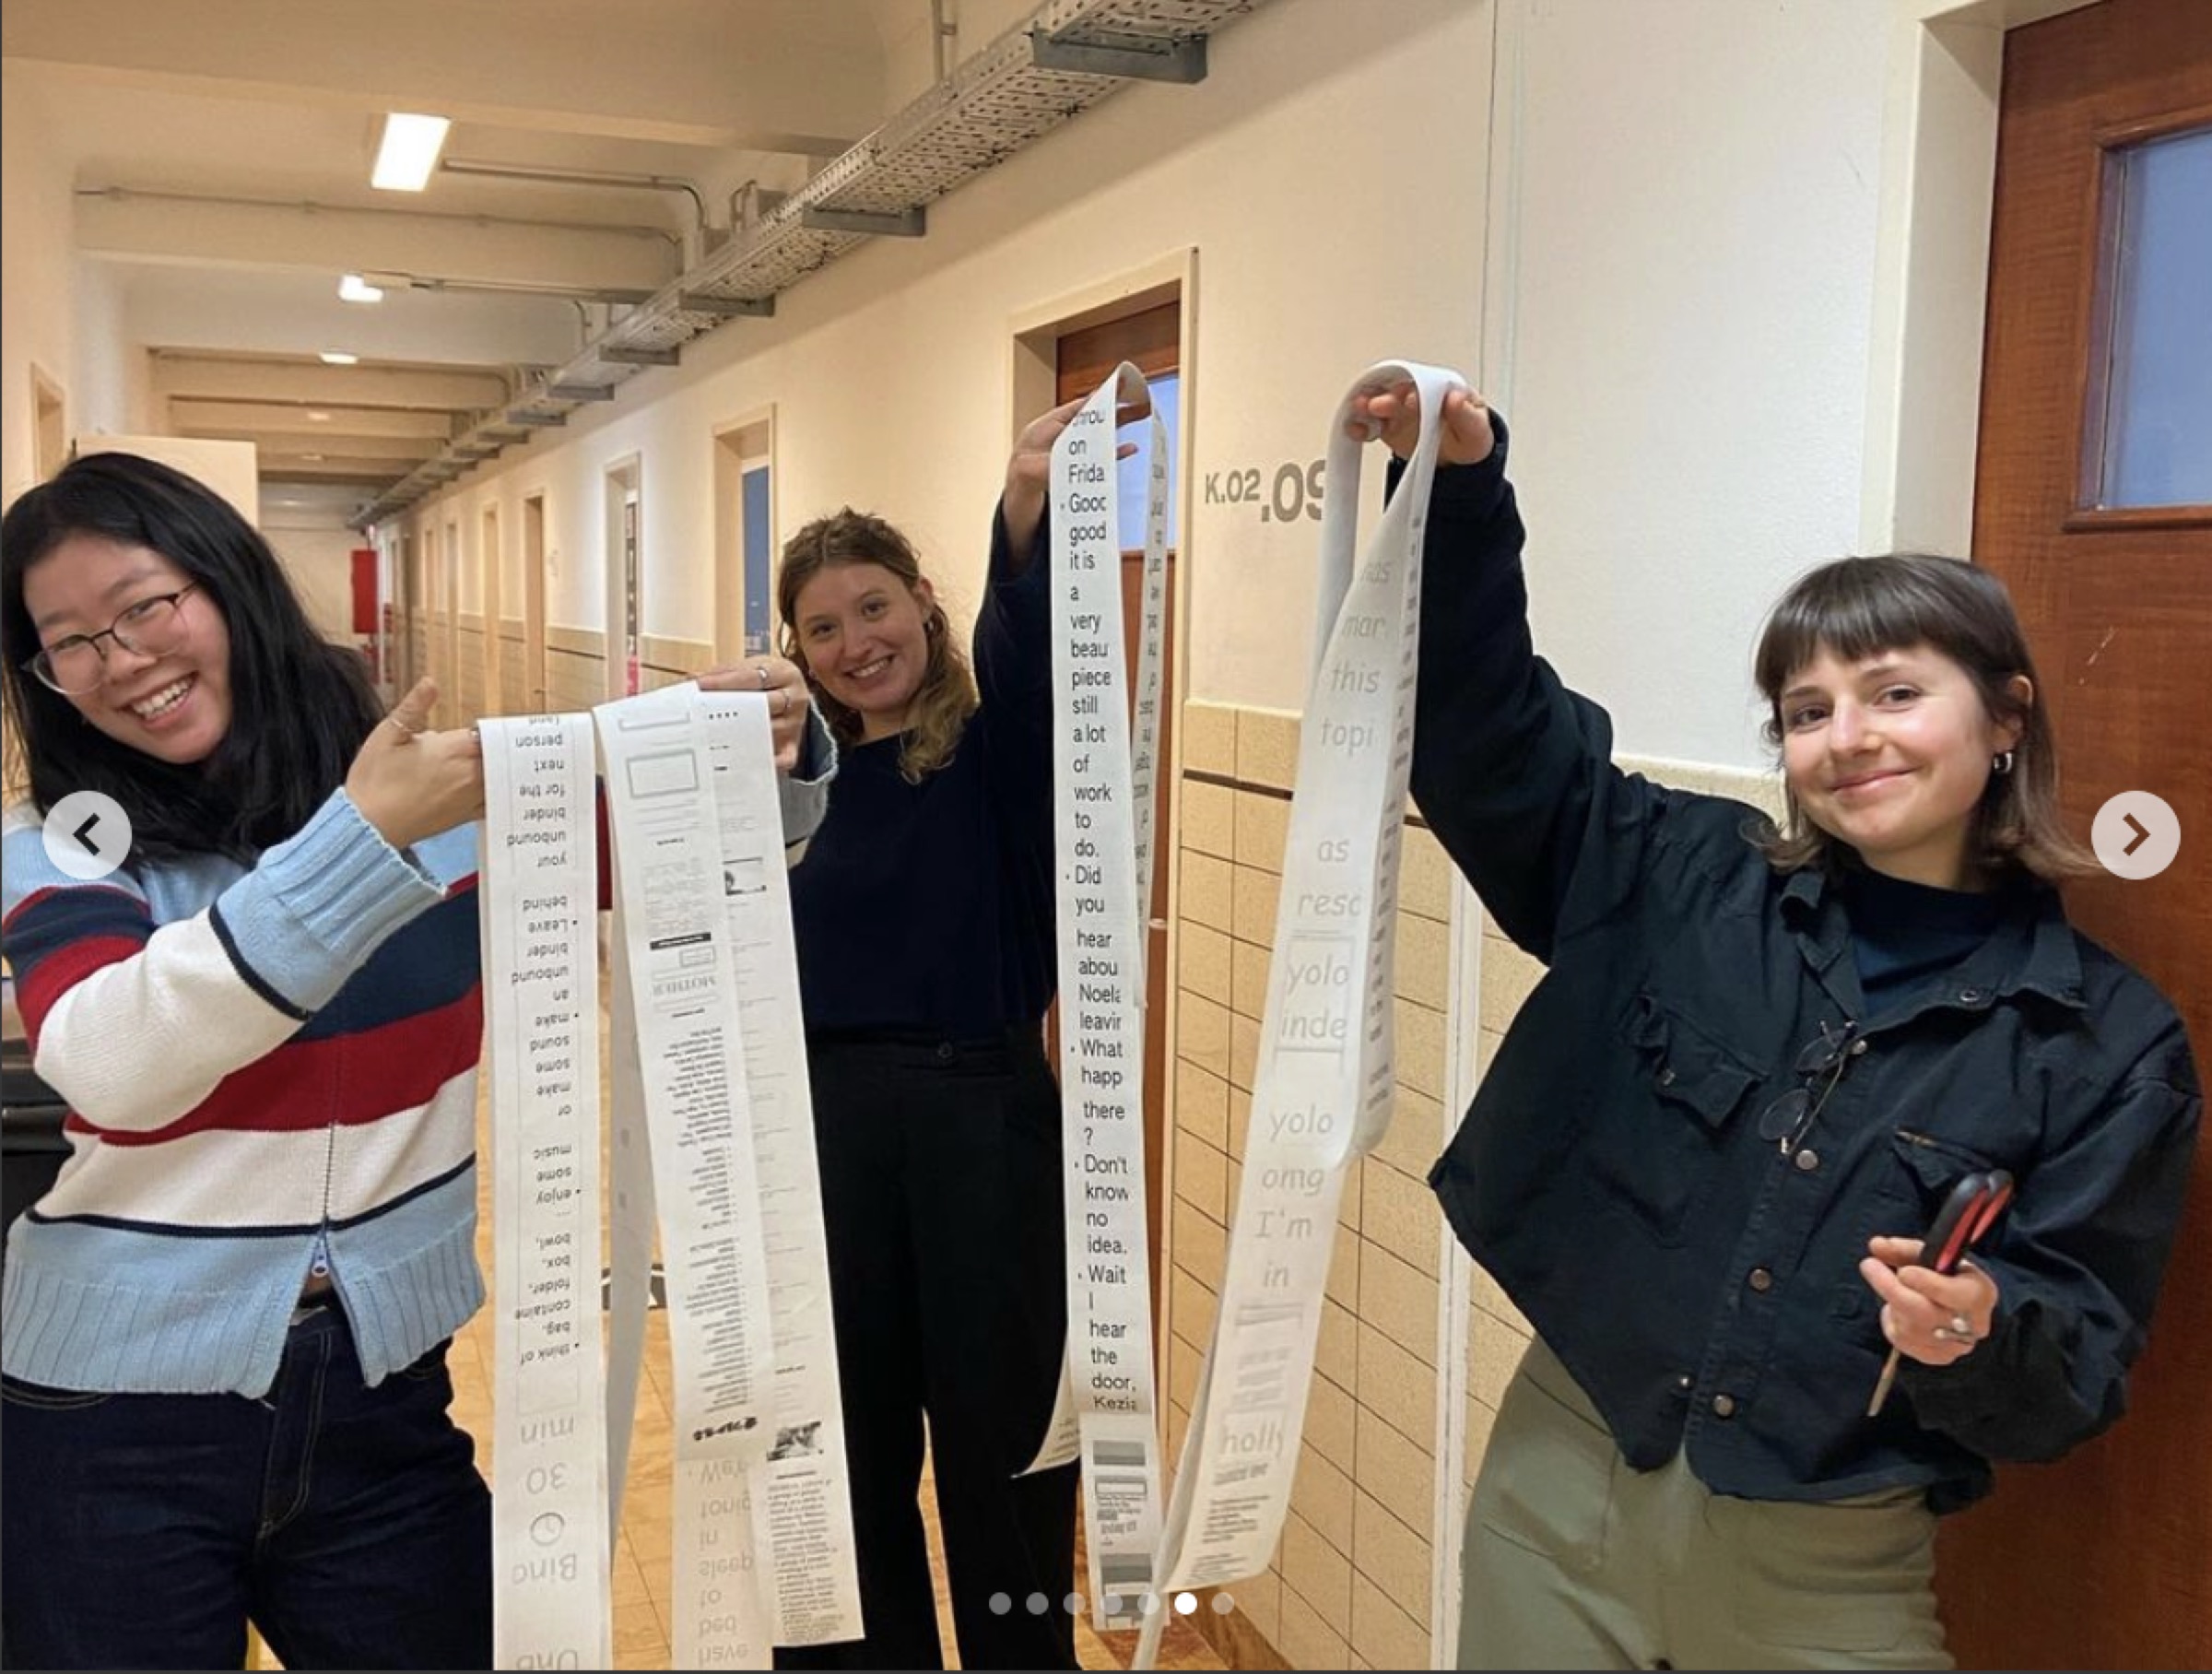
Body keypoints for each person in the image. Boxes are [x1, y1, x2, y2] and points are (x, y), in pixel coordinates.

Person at [1356, 383, 2202, 1670]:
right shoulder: (1684, 877)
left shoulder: (2105, 1045)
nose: (1848, 738)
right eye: (1809, 711)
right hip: (1560, 1487)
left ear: (2007, 717)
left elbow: (2077, 1363)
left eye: (1894, 694)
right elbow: (1487, 736)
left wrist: (1975, 1322)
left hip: (1829, 1570)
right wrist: (1457, 493)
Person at [0, 450, 828, 1670]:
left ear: (229, 589)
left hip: (384, 1407)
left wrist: (762, 751)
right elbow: (113, 1063)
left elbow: (705, 855)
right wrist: (358, 844)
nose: (121, 661)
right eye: (70, 641)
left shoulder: (449, 816)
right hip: (104, 1428)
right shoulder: (64, 849)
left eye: (146, 605)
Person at [771, 398, 1126, 1671]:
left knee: (1005, 1447)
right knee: (843, 1448)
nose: (857, 641)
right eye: (825, 626)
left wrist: (1026, 498)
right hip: (824, 1136)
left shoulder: (996, 752)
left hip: (984, 1123)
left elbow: (1027, 649)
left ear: (924, 600)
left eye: (875, 607)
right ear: (799, 652)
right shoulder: (788, 788)